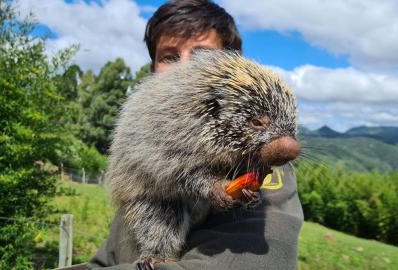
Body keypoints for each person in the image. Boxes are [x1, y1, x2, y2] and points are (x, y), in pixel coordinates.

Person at [88, 1, 303, 269]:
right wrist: (211, 186)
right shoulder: (158, 127)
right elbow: (104, 260)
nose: (184, 67)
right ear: (153, 68)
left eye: (202, 55)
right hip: (152, 197)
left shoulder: (272, 178)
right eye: (169, 56)